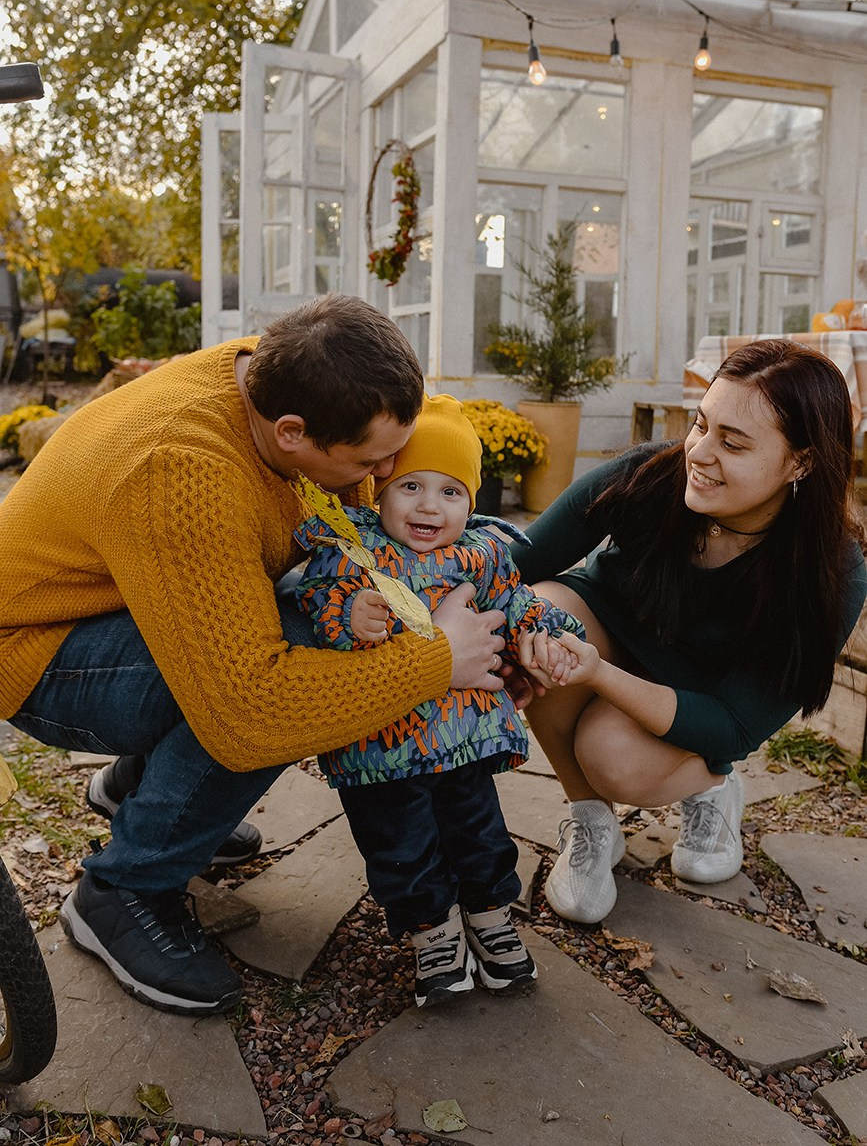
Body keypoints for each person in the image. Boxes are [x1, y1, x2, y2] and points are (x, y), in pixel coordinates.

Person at [0, 295, 510, 1014]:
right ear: (293, 433)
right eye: (370, 459)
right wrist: (436, 661)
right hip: (33, 649)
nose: (389, 470)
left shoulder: (283, 376)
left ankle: (140, 788)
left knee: (302, 615)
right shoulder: (182, 468)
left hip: (120, 610)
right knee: (296, 648)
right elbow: (251, 707)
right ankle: (124, 890)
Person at [510, 339, 867, 924]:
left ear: (800, 462)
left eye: (733, 443)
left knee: (613, 756)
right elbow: (518, 562)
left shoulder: (830, 572)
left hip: (703, 704)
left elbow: (733, 725)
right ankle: (591, 822)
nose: (699, 453)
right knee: (544, 615)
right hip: (610, 635)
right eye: (701, 426)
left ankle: (713, 790)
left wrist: (598, 674)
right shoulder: (648, 476)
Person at [294, 395, 584, 1006]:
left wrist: (555, 635)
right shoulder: (355, 550)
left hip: (463, 739)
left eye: (451, 491)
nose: (430, 505)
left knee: (478, 830)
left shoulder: (483, 555)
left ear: (472, 502)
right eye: (412, 486)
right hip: (381, 742)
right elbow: (317, 602)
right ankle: (433, 932)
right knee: (400, 845)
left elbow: (521, 605)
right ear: (380, 489)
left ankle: (488, 917)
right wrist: (351, 612)